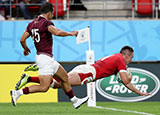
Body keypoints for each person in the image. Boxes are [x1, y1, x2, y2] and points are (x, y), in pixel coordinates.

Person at [10, 2, 89, 109]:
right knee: (44, 87)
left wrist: (26, 49)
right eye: (53, 12)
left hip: (47, 58)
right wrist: (71, 33)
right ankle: (18, 93)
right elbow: (57, 32)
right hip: (45, 59)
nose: (53, 14)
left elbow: (22, 39)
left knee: (65, 77)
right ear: (50, 12)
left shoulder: (32, 24)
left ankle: (75, 101)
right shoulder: (46, 23)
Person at [16, 46, 151, 96]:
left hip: (87, 70)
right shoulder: (120, 59)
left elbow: (125, 82)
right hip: (88, 73)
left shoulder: (116, 58)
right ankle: (43, 66)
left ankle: (29, 78)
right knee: (62, 82)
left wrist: (139, 92)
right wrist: (130, 76)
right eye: (131, 57)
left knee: (57, 85)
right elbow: (126, 80)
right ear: (126, 55)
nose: (131, 60)